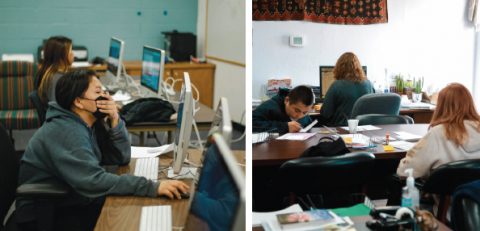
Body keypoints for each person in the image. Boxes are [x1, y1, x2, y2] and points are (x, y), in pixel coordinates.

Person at [16, 69, 189, 231]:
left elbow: (121, 157)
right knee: (127, 218)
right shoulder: (67, 131)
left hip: (72, 194)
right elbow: (93, 181)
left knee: (133, 206)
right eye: (98, 92)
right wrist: (152, 187)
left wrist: (115, 119)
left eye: (105, 92)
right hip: (46, 211)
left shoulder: (87, 122)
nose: (106, 97)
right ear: (78, 102)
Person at [397, 83, 480, 178]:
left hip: (443, 192)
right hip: (474, 191)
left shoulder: (438, 132)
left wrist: (408, 157)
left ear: (441, 106)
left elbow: (406, 172)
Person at [318, 52, 374, 126]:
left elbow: (326, 113)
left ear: (339, 68)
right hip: (364, 128)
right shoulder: (369, 84)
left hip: (342, 129)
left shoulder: (337, 85)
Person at [36, 36, 75, 103]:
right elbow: (56, 106)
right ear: (61, 55)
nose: (73, 54)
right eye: (70, 50)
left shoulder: (49, 72)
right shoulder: (57, 78)